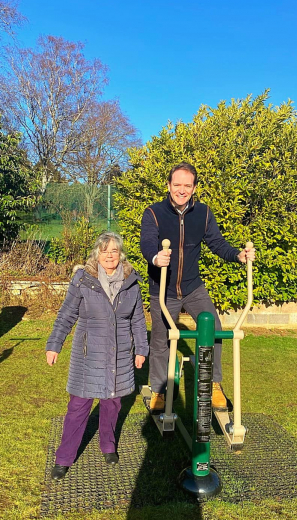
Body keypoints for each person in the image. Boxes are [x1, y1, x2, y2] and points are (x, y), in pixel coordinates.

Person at [140, 162, 255, 412]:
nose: (182, 190)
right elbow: (147, 243)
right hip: (163, 289)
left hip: (193, 287)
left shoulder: (203, 213)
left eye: (187, 186)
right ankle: (159, 390)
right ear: (169, 185)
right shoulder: (154, 213)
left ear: (194, 188)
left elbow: (217, 243)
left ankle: (213, 384)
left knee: (214, 329)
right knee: (161, 340)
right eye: (177, 185)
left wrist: (238, 255)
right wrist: (155, 258)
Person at [46, 231, 149, 481]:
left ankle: (108, 445)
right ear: (97, 254)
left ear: (121, 254)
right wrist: (54, 344)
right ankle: (63, 458)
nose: (110, 255)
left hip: (120, 354)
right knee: (79, 406)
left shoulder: (131, 282)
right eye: (105, 251)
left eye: (114, 251)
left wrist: (141, 349)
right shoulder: (83, 279)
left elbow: (137, 319)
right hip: (87, 353)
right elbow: (66, 314)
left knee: (112, 403)